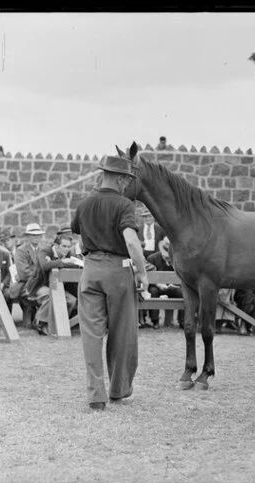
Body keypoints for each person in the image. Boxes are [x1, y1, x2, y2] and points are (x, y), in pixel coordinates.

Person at [71, 152, 149, 411]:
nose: (127, 184)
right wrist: (142, 273)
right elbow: (130, 240)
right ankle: (118, 390)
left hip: (90, 269)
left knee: (91, 336)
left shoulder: (84, 204)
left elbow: (77, 232)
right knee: (122, 333)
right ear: (120, 179)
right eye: (126, 179)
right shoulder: (125, 205)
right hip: (118, 270)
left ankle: (96, 396)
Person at [25, 233, 81, 335]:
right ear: (56, 245)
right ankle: (40, 323)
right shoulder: (45, 251)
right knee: (50, 296)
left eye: (69, 247)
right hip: (38, 285)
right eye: (64, 246)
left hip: (56, 286)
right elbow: (44, 266)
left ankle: (59, 324)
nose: (66, 249)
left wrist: (73, 263)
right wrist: (63, 262)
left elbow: (76, 264)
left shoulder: (68, 254)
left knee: (72, 300)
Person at [11, 223, 46, 329]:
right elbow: (24, 273)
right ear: (28, 236)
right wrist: (42, 276)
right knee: (47, 295)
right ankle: (40, 322)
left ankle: (42, 320)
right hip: (26, 285)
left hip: (39, 284)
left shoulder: (43, 250)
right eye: (33, 235)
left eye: (39, 235)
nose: (37, 237)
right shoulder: (21, 250)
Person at [145, 236, 184, 329]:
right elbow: (148, 277)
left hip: (173, 286)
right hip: (157, 286)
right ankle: (155, 321)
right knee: (153, 291)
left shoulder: (179, 259)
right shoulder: (152, 258)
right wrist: (159, 284)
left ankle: (182, 321)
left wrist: (175, 284)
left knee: (183, 293)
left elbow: (182, 276)